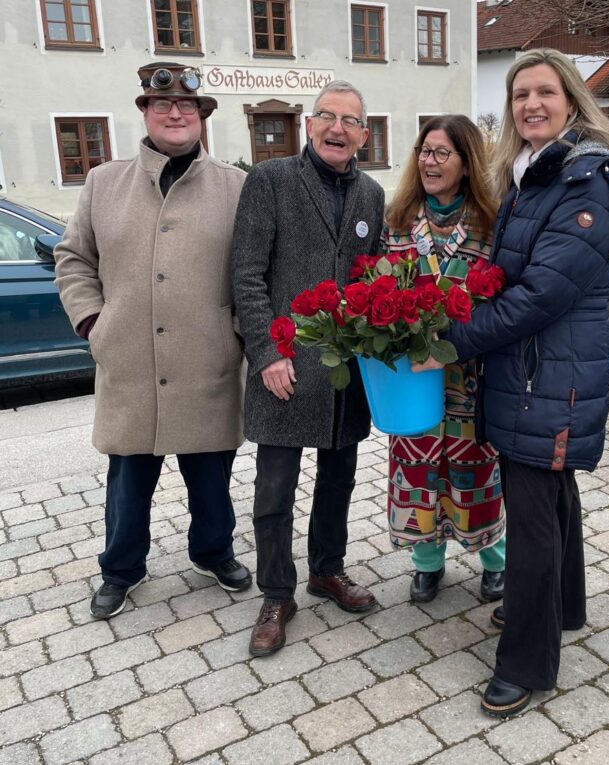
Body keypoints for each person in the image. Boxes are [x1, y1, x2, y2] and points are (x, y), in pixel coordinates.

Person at [415, 49, 609, 716]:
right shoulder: (533, 175)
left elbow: (538, 297)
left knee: (535, 515)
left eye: (544, 92)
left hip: (552, 373)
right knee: (552, 494)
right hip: (533, 370)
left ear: (572, 100)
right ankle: (561, 609)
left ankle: (527, 663)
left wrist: (448, 344)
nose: (531, 104)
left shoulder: (585, 182)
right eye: (520, 95)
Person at [54, 63, 251, 619]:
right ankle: (120, 569)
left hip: (207, 358)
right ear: (144, 112)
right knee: (128, 479)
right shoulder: (103, 182)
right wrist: (95, 321)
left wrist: (238, 333)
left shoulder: (236, 187)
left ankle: (214, 552)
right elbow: (73, 259)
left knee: (211, 475)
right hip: (129, 360)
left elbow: (255, 268)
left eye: (187, 108)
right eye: (162, 105)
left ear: (203, 118)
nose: (175, 114)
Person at [231, 81, 384, 657]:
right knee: (274, 487)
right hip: (285, 367)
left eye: (350, 120)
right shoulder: (270, 181)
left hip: (344, 371)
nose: (338, 129)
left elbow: (372, 281)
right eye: (328, 117)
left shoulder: (370, 192)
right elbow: (246, 274)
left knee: (339, 479)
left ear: (363, 134)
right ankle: (276, 593)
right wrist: (267, 355)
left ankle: (327, 570)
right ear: (310, 124)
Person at [380, 115, 506, 604]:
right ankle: (426, 562)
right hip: (413, 377)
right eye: (424, 152)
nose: (429, 162)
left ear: (466, 161)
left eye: (441, 153)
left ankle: (496, 558)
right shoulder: (400, 218)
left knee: (476, 467)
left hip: (470, 373)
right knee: (415, 465)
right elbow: (378, 289)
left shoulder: (490, 222)